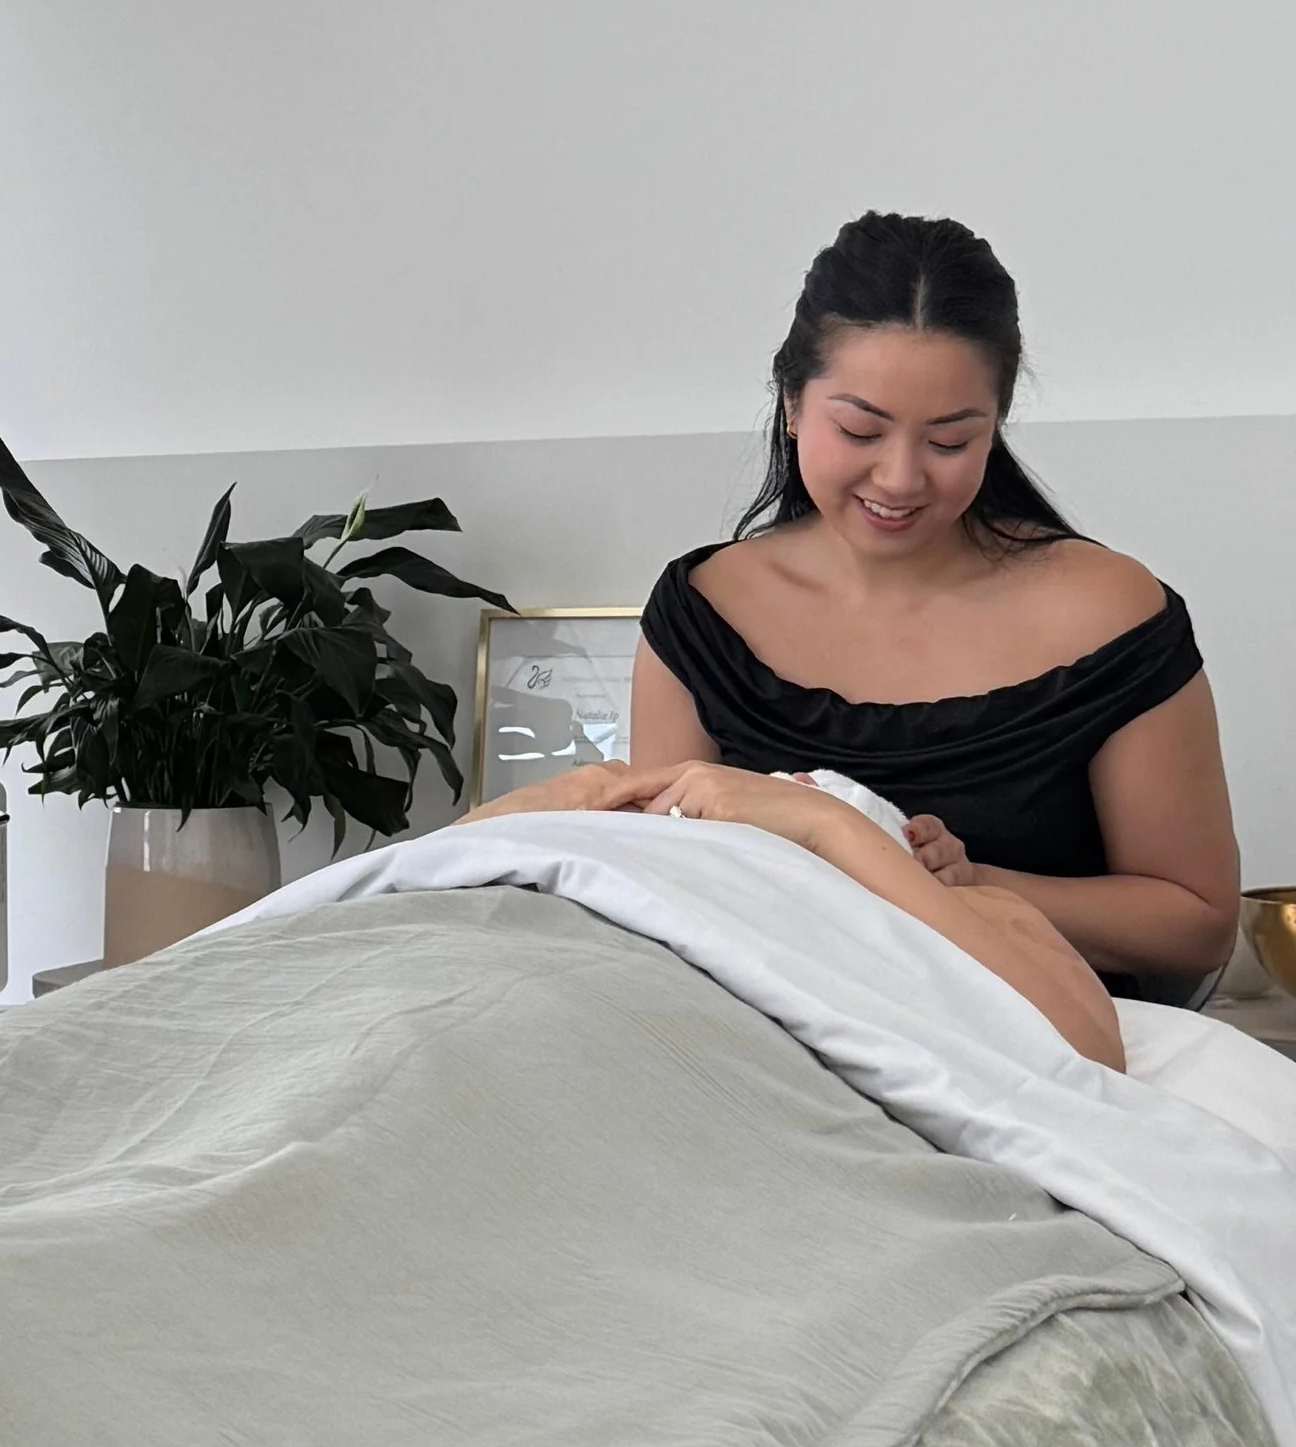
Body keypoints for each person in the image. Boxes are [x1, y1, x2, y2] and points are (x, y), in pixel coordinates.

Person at [629, 211, 1239, 996]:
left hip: (1048, 1044)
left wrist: (969, 885)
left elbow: (1196, 924)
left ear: (996, 425)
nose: (901, 479)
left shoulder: (1107, 612)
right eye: (860, 430)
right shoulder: (704, 614)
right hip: (773, 1042)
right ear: (790, 403)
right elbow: (659, 886)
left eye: (950, 441)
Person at [463, 755, 1125, 1067]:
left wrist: (827, 827)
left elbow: (1087, 1053)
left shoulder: (967, 909)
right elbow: (422, 868)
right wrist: (581, 792)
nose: (789, 778)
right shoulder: (611, 829)